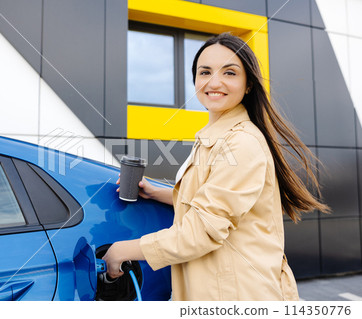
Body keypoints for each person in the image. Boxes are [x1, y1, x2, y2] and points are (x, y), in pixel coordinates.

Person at [102, 33, 329, 301]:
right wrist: (158, 193)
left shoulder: (242, 143)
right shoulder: (215, 137)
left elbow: (201, 232)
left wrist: (120, 251)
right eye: (205, 71)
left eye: (230, 73)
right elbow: (211, 202)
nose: (214, 82)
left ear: (248, 85)